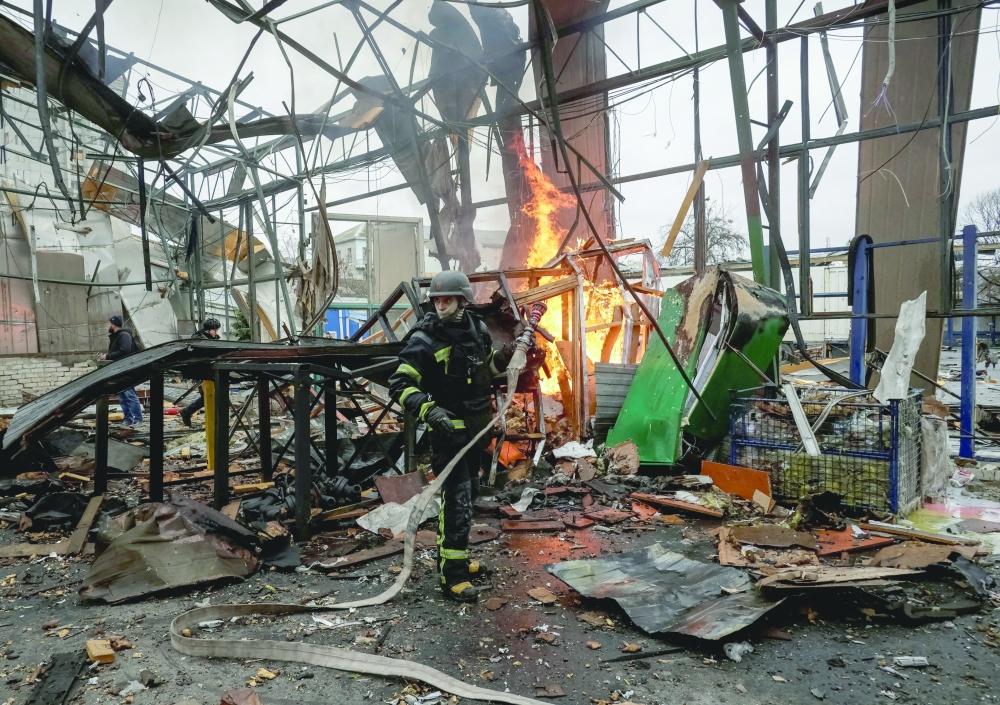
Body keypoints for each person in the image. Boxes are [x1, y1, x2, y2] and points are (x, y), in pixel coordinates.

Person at [388, 271, 517, 602]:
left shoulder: (477, 331)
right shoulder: (425, 339)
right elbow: (400, 384)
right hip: (448, 434)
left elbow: (485, 368)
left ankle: (456, 556)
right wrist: (428, 410)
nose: (440, 305)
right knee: (456, 500)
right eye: (437, 300)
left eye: (447, 299)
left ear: (463, 302)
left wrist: (505, 357)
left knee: (469, 493)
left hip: (476, 431)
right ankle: (452, 576)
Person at [98, 315, 143, 425]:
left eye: (109, 323)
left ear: (113, 324)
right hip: (118, 371)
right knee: (122, 396)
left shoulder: (124, 335)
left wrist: (107, 356)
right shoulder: (116, 336)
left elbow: (124, 350)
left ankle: (138, 420)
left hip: (126, 370)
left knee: (130, 395)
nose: (108, 325)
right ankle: (128, 419)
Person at [180, 318, 222, 427]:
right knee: (208, 396)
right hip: (201, 372)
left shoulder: (215, 339)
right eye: (215, 330)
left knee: (210, 397)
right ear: (208, 330)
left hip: (211, 371)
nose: (216, 332)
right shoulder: (198, 340)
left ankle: (189, 412)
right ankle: (188, 412)